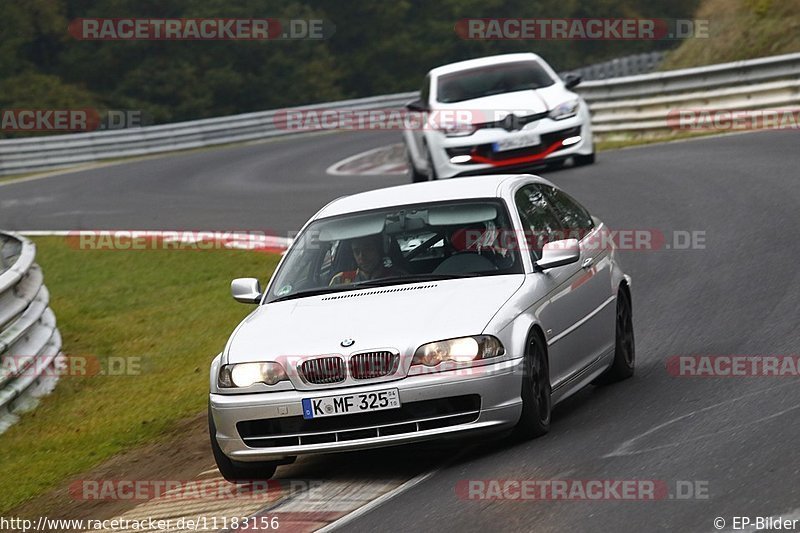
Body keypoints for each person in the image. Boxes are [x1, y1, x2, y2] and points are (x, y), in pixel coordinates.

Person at [329, 234, 403, 286]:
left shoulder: (398, 277)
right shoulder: (340, 280)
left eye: (367, 249)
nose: (361, 256)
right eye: (356, 251)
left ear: (379, 250)